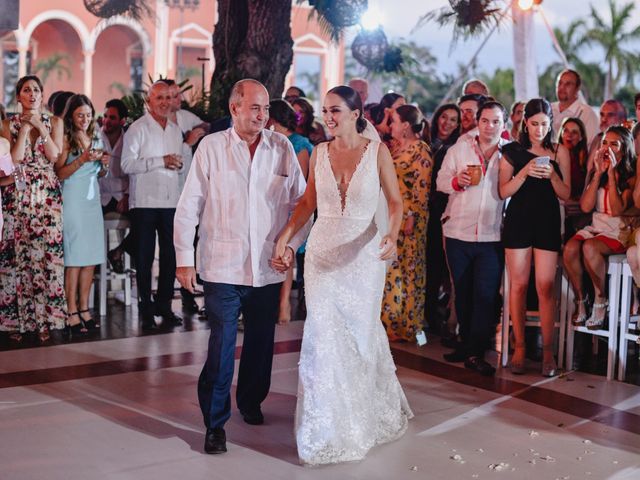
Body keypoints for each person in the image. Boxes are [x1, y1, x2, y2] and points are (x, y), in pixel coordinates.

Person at [272, 85, 412, 465]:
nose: (328, 117)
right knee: (323, 337)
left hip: (364, 255)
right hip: (322, 254)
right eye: (325, 111)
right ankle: (324, 428)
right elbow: (306, 205)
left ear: (355, 112)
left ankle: (363, 416)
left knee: (360, 335)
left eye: (335, 110)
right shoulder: (319, 152)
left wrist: (392, 235)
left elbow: (396, 203)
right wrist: (285, 238)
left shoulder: (377, 152)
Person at [174, 79, 310, 455]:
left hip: (267, 266)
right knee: (221, 346)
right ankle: (215, 424)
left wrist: (292, 246)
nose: (262, 115)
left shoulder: (281, 148)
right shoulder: (212, 148)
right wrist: (184, 260)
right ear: (234, 108)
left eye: (265, 108)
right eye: (254, 107)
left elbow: (301, 208)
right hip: (222, 267)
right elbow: (189, 207)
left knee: (261, 344)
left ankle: (251, 401)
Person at [436, 101, 509, 376]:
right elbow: (440, 182)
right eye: (485, 121)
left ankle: (477, 351)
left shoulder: (508, 153)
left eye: (496, 122)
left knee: (485, 295)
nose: (490, 126)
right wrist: (457, 181)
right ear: (477, 122)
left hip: (492, 235)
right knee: (463, 292)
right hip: (458, 232)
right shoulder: (459, 149)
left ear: (504, 125)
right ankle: (466, 345)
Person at [499, 98, 571, 377]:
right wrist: (525, 172)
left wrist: (552, 176)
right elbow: (503, 191)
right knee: (518, 285)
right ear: (524, 123)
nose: (539, 129)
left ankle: (549, 352)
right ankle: (519, 347)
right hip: (519, 219)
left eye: (544, 124)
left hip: (547, 220)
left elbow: (566, 194)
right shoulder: (512, 151)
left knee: (545, 286)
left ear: (551, 124)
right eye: (534, 124)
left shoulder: (558, 151)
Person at [0, 75, 65, 343]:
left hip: (47, 193)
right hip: (18, 191)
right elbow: (12, 160)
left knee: (46, 255)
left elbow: (54, 155)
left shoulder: (56, 122)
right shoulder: (7, 124)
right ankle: (15, 320)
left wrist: (39, 124)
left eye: (36, 90)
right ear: (18, 96)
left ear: (42, 94)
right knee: (18, 256)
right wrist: (25, 130)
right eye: (27, 90)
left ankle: (45, 320)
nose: (32, 94)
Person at [121, 81, 184, 330]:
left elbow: (178, 164)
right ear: (149, 100)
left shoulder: (175, 130)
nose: (165, 102)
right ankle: (145, 307)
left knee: (170, 256)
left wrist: (176, 166)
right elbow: (126, 165)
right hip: (145, 202)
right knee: (145, 257)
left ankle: (164, 305)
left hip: (170, 201)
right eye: (160, 98)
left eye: (169, 97)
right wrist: (160, 161)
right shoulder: (137, 129)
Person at [565, 126, 637, 329]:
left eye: (614, 144)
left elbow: (616, 210)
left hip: (618, 229)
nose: (607, 148)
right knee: (570, 248)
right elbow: (586, 206)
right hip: (596, 226)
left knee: (589, 247)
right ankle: (581, 299)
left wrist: (613, 175)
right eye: (605, 143)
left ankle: (600, 298)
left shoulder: (630, 176)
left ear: (625, 149)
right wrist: (597, 174)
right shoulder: (598, 171)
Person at [55, 94, 108, 335]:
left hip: (92, 201)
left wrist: (103, 165)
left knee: (90, 258)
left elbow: (98, 173)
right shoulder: (67, 138)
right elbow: (60, 173)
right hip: (73, 200)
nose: (84, 119)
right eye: (80, 115)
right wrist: (83, 159)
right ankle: (71, 310)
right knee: (74, 258)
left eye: (88, 115)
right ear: (71, 116)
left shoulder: (96, 137)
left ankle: (85, 308)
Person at [381, 104, 432, 342]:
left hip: (410, 219)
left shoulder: (420, 149)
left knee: (409, 271)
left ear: (406, 125)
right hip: (391, 216)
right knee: (391, 271)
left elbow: (422, 189)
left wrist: (411, 216)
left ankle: (411, 328)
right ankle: (390, 324)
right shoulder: (395, 148)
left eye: (394, 121)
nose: (390, 125)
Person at [162, 79, 208, 313]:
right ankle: (167, 299)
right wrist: (186, 143)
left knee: (194, 242)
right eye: (171, 96)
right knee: (173, 246)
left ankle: (190, 297)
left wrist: (199, 134)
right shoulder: (156, 124)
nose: (177, 100)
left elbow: (208, 126)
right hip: (167, 192)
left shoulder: (186, 118)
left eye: (178, 95)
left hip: (190, 191)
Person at [266, 98, 313, 323]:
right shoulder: (268, 140)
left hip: (292, 207)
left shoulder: (299, 143)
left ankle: (284, 303)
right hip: (269, 204)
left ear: (273, 119)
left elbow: (302, 183)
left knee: (286, 255)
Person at [425, 104, 461, 333]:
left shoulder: (454, 149)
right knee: (423, 262)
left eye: (453, 120)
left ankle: (432, 313)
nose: (446, 123)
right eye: (444, 117)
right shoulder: (425, 143)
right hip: (418, 208)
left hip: (440, 210)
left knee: (436, 264)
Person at [99, 99, 133, 273]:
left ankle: (118, 252)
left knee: (144, 222)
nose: (107, 121)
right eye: (105, 116)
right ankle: (97, 263)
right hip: (100, 197)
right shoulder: (95, 137)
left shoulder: (129, 140)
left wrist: (127, 196)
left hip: (122, 196)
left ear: (122, 121)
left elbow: (133, 173)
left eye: (112, 117)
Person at [551, 69, 599, 144]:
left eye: (568, 84)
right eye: (559, 83)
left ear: (577, 88)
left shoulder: (587, 114)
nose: (562, 87)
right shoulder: (548, 109)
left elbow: (590, 146)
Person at [587, 99, 627, 171]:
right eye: (602, 114)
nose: (604, 119)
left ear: (622, 119)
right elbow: (589, 170)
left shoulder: (629, 142)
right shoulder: (598, 138)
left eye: (610, 115)